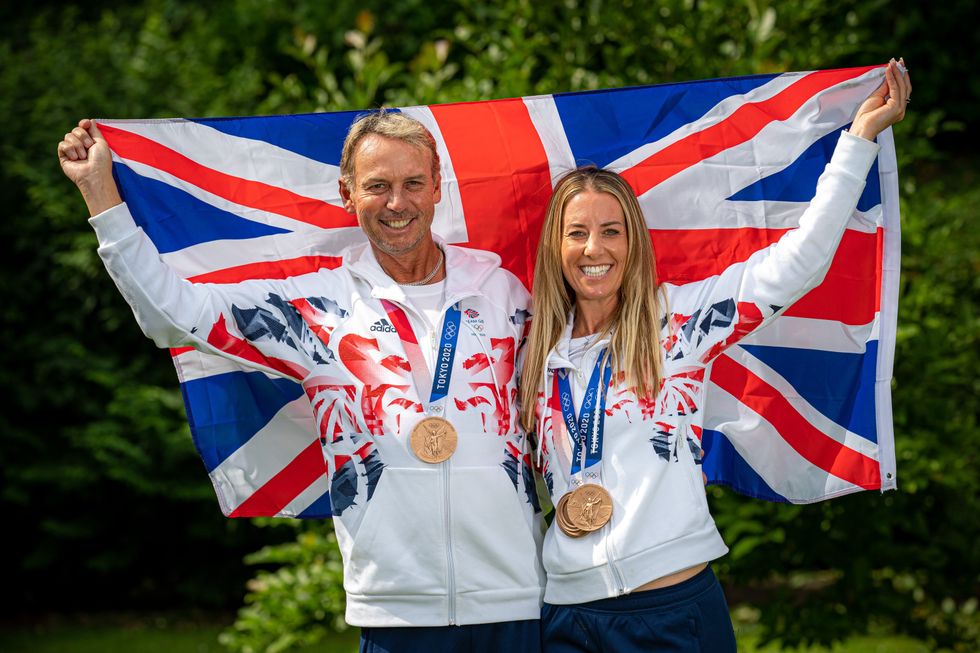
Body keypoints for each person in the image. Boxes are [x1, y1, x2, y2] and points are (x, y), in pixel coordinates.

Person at [58, 111, 545, 652]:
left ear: (436, 187)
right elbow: (172, 316)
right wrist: (102, 198)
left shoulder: (504, 293)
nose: (397, 203)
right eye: (377, 186)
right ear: (347, 193)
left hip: (517, 601)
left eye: (412, 184)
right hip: (395, 613)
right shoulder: (317, 307)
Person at [518, 59, 910, 652]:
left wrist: (856, 142)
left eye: (612, 231)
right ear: (556, 246)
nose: (593, 248)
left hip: (672, 613)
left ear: (634, 244)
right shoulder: (530, 350)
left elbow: (797, 265)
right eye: (577, 232)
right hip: (567, 616)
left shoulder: (677, 324)